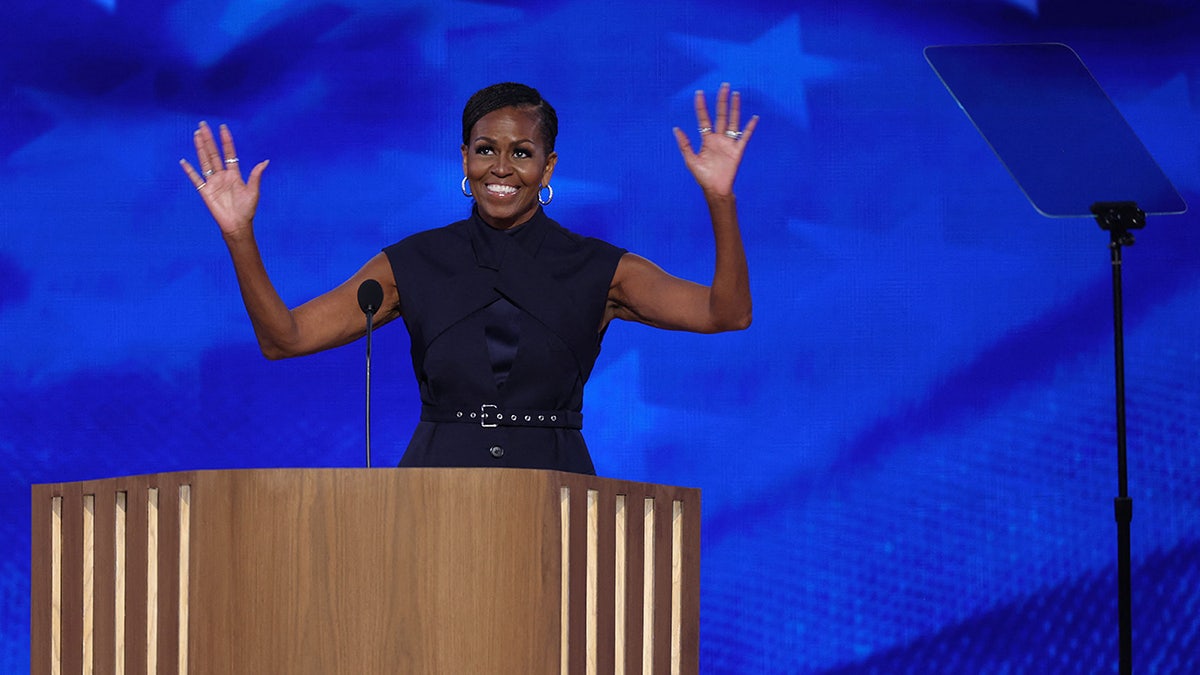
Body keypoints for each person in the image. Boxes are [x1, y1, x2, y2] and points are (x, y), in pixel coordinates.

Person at [180, 82, 756, 474]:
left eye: (522, 152)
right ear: (463, 159)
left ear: (548, 166)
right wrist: (239, 234)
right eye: (485, 149)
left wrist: (720, 198)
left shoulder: (603, 270)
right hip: (435, 487)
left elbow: (726, 313)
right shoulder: (411, 264)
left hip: (555, 489)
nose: (501, 168)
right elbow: (285, 339)